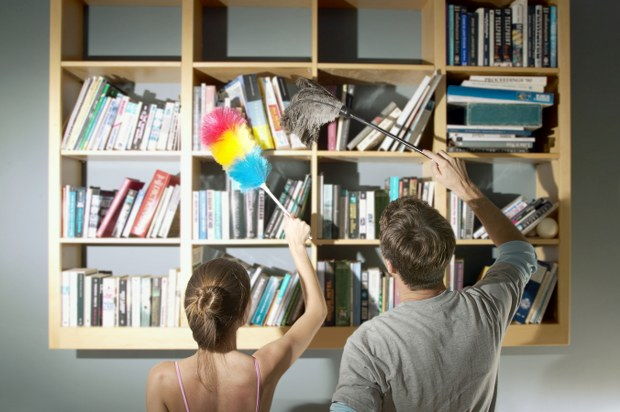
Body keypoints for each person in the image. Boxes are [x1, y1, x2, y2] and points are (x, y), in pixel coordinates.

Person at [331, 150, 538, 411]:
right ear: (449, 256)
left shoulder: (370, 341)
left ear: (390, 265)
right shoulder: (488, 307)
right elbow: (519, 251)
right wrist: (464, 187)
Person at [147, 217, 326, 412]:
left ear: (192, 308)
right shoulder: (264, 368)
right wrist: (296, 245)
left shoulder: (162, 378)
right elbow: (316, 312)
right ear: (246, 311)